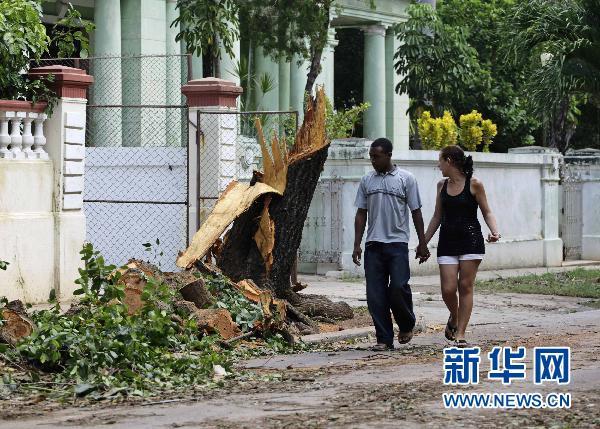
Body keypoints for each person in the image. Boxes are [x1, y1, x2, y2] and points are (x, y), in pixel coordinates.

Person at [353, 138, 430, 351]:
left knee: (398, 287)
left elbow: (416, 212)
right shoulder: (367, 180)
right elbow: (361, 213)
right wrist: (357, 244)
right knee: (375, 294)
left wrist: (422, 244)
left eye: (376, 156)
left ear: (388, 155)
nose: (373, 160)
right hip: (373, 245)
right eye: (371, 156)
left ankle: (406, 324)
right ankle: (384, 338)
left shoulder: (406, 179)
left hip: (397, 244)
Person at [424, 145, 500, 347]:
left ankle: (461, 333)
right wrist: (424, 242)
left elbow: (487, 212)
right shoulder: (441, 185)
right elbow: (437, 217)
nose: (438, 166)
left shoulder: (474, 184)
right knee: (448, 289)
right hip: (447, 242)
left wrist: (495, 231)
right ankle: (455, 316)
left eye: (440, 161)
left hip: (471, 241)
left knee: (465, 286)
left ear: (449, 161)